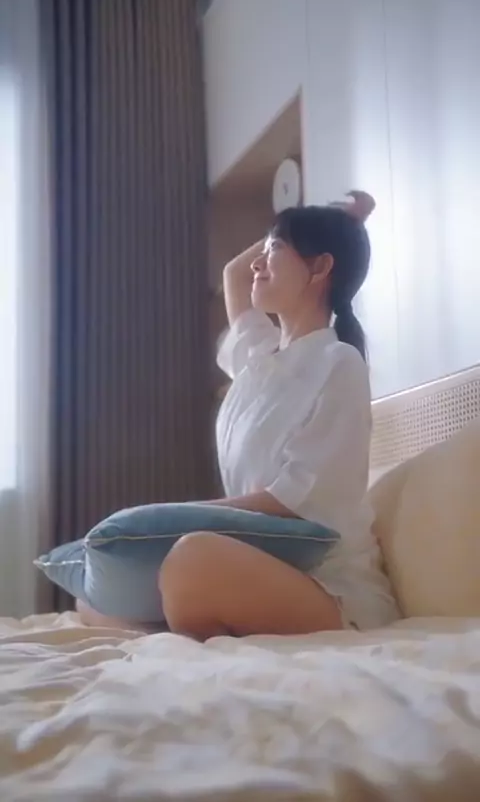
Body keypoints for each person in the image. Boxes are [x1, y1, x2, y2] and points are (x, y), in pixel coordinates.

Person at [78, 190, 398, 638]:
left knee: (192, 558)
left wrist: (170, 518)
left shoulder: (338, 363)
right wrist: (335, 216)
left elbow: (295, 500)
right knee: (91, 590)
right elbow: (233, 274)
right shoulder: (258, 359)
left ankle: (174, 621)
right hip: (257, 563)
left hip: (328, 587)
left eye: (275, 249)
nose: (258, 263)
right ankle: (178, 620)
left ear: (320, 268)